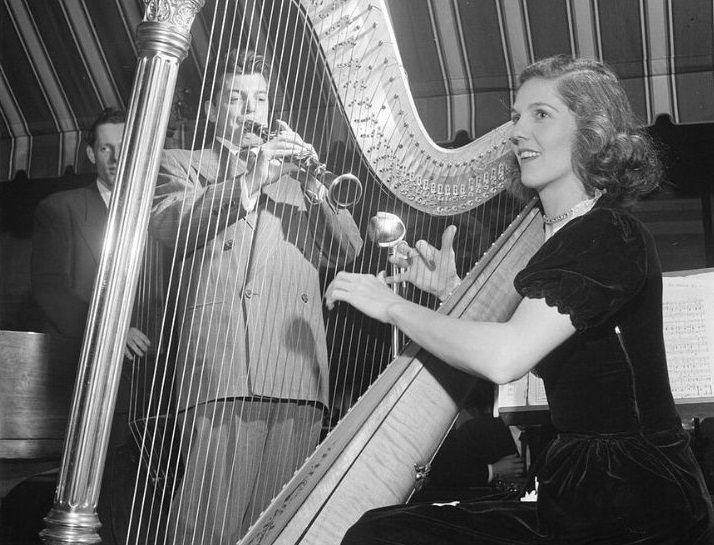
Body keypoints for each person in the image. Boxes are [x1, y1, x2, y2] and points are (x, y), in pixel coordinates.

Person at [326, 56, 714, 545]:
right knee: (383, 530)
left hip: (637, 502)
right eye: (515, 116)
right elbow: (570, 348)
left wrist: (392, 306)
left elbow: (506, 356)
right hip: (581, 492)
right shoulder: (559, 235)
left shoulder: (609, 232)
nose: (517, 131)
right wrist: (450, 293)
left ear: (591, 134)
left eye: (541, 114)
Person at [149, 49, 363, 545]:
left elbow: (347, 249)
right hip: (226, 365)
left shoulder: (299, 176)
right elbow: (168, 227)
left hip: (299, 369)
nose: (250, 108)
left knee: (284, 527)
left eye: (260, 97)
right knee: (209, 526)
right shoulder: (184, 163)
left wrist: (314, 184)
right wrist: (249, 180)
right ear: (211, 110)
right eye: (235, 97)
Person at [31, 107, 151, 544]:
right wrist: (111, 333)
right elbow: (51, 291)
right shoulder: (59, 209)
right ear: (90, 153)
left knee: (141, 510)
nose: (117, 157)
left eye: (125, 147)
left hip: (153, 389)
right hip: (91, 388)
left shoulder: (160, 211)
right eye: (106, 147)